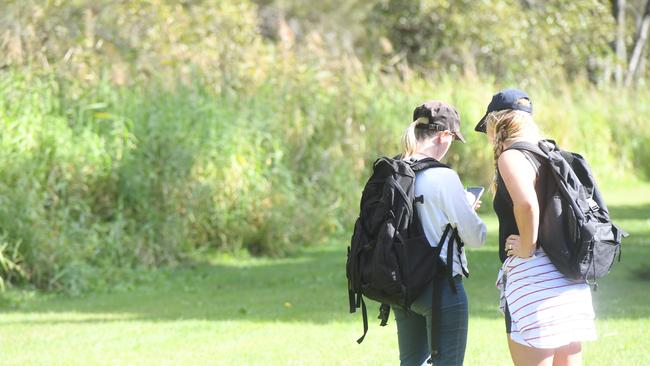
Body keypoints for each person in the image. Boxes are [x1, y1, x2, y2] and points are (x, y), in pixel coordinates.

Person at [474, 89, 597, 366]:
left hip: (535, 280)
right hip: (568, 276)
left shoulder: (512, 156)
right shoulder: (551, 152)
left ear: (497, 123)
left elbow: (527, 205)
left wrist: (527, 245)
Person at [394, 100, 487, 366]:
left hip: (402, 284)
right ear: (444, 135)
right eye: (453, 139)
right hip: (440, 285)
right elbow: (476, 237)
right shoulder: (443, 177)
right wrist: (467, 209)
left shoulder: (396, 170)